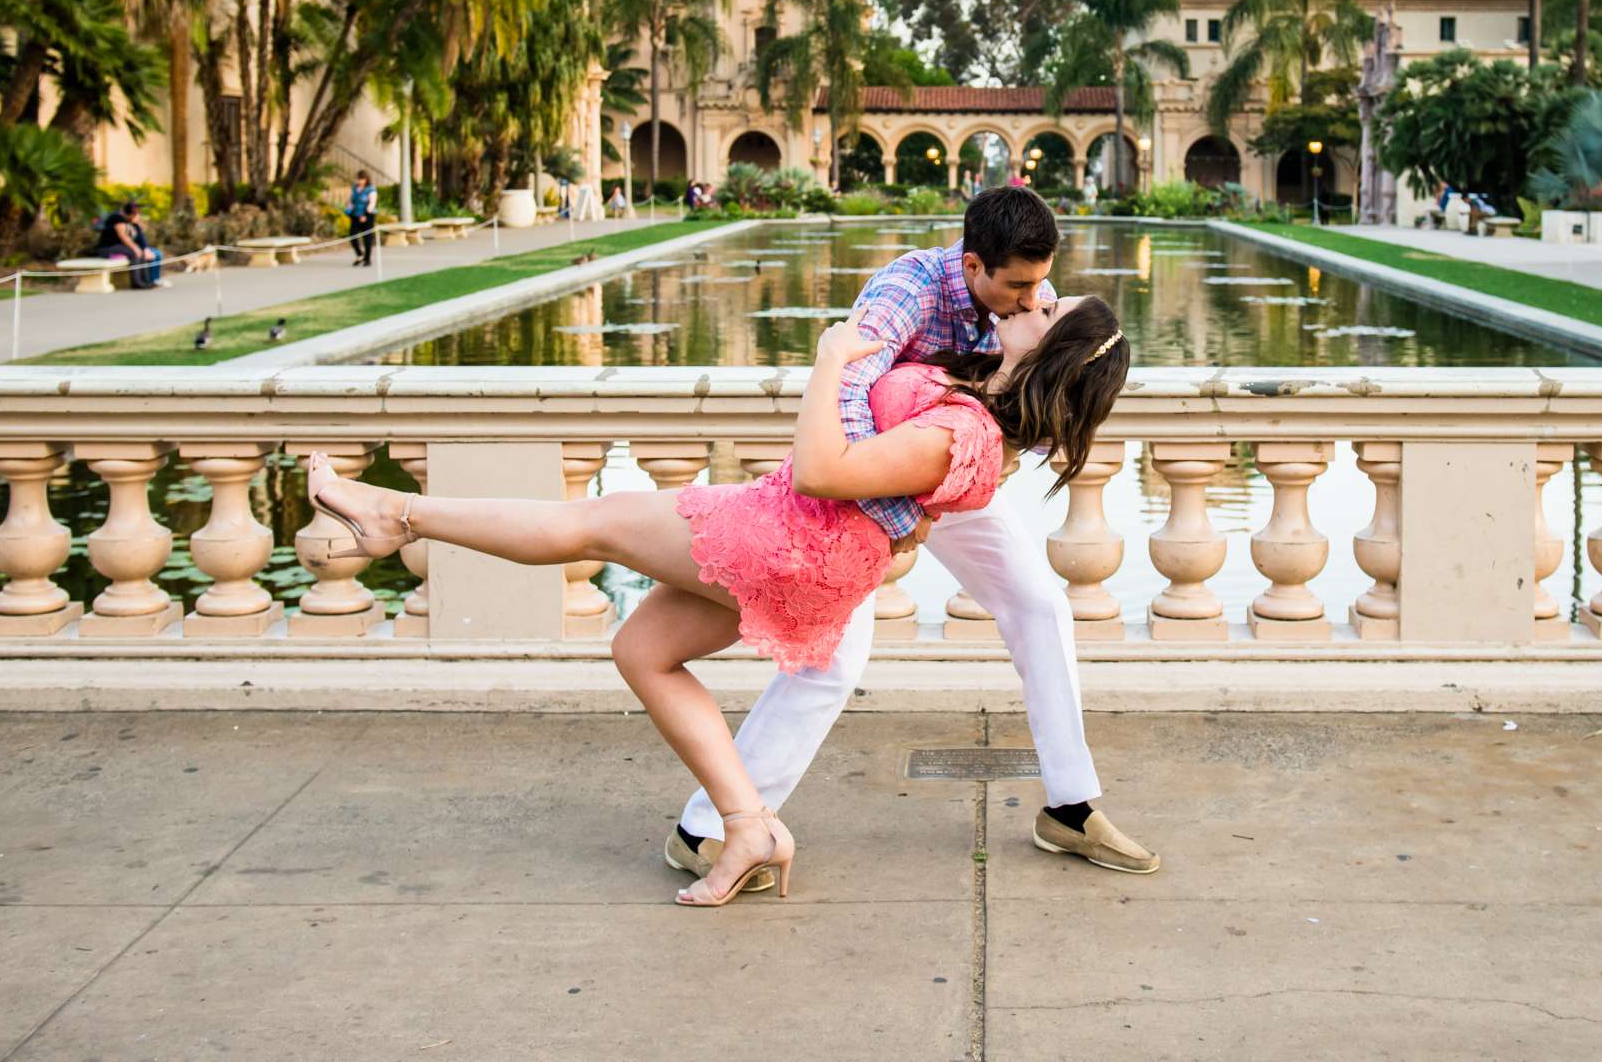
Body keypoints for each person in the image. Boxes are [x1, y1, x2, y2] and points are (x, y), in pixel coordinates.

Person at [305, 279, 1130, 908]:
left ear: (1048, 349)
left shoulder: (966, 433)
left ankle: (394, 514)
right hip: (802, 540)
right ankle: (742, 827)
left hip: (786, 535)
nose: (1037, 297)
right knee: (641, 648)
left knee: (585, 522)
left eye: (1049, 309)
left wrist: (830, 364)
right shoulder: (978, 397)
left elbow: (822, 470)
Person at [663, 185, 1162, 888]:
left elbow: (1035, 403)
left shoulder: (1026, 298)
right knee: (833, 661)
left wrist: (947, 489)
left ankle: (1070, 807)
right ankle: (706, 830)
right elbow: (843, 396)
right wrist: (898, 515)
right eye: (1019, 287)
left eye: (1041, 288)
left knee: (1040, 605)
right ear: (971, 266)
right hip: (870, 483)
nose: (1030, 301)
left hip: (945, 468)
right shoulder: (908, 290)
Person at [97, 200, 166, 289]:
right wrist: (135, 248)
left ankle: (147, 281)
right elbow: (122, 235)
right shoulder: (117, 218)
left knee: (140, 252)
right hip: (107, 248)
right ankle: (137, 283)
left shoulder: (129, 220)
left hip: (119, 247)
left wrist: (137, 223)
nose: (137, 215)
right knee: (134, 253)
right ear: (129, 213)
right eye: (135, 213)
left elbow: (140, 233)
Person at [345, 172, 377, 267]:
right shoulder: (354, 188)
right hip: (355, 215)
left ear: (366, 179)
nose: (360, 181)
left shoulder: (371, 189)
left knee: (367, 238)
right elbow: (351, 201)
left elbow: (372, 203)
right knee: (353, 236)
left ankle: (367, 259)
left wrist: (365, 215)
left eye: (362, 179)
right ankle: (360, 255)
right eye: (358, 179)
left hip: (367, 215)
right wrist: (349, 210)